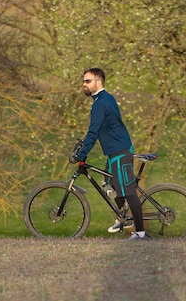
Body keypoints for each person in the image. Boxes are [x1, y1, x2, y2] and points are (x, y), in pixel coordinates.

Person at [74, 67, 152, 241]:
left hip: (120, 151)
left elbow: (93, 131)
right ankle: (122, 217)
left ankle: (140, 233)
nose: (84, 84)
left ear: (98, 82)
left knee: (128, 191)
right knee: (109, 185)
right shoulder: (103, 100)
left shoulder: (101, 103)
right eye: (83, 81)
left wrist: (82, 154)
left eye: (87, 81)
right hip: (114, 152)